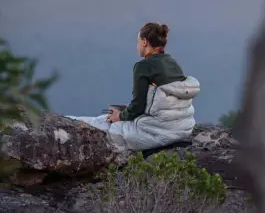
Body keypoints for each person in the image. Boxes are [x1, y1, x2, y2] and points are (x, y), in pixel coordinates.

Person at [67, 22, 200, 151]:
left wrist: (120, 116)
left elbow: (138, 105)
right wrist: (127, 111)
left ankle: (65, 120)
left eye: (138, 41)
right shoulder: (173, 63)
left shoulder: (143, 66)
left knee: (99, 124)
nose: (137, 46)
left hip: (157, 131)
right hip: (181, 128)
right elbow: (162, 100)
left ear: (144, 42)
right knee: (108, 118)